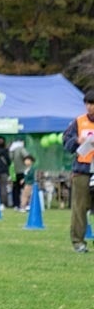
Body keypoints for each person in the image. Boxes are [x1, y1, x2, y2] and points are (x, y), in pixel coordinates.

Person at [63, 89, 94, 253]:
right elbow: (66, 143)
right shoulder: (78, 122)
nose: (90, 107)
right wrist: (77, 140)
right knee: (80, 207)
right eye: (87, 104)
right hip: (82, 169)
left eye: (92, 104)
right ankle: (78, 241)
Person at [9, 138, 30, 208]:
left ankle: (16, 204)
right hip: (22, 171)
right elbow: (26, 156)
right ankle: (25, 204)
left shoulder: (12, 150)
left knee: (15, 189)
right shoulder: (21, 149)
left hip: (15, 172)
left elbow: (10, 158)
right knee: (25, 189)